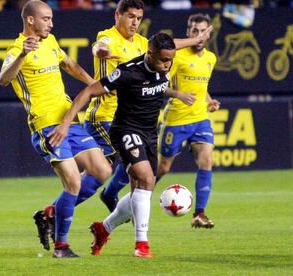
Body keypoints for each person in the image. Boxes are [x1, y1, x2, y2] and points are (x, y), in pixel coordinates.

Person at [48, 33, 195, 258]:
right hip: (125, 130)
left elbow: (158, 82)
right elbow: (89, 90)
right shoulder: (128, 72)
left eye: (171, 60)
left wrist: (196, 41)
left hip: (149, 134)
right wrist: (67, 122)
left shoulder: (163, 65)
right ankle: (142, 246)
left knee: (142, 189)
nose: (168, 65)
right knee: (146, 179)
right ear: (150, 53)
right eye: (164, 60)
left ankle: (104, 228)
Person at [0, 0, 112, 258]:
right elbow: (3, 79)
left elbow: (70, 66)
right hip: (46, 126)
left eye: (50, 18)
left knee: (102, 170)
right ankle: (61, 247)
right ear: (30, 20)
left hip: (68, 121)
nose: (51, 23)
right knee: (72, 182)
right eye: (46, 18)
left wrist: (96, 85)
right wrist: (23, 55)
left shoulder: (50, 42)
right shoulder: (17, 49)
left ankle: (49, 213)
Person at [89, 0, 213, 214]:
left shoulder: (141, 43)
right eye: (130, 17)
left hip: (135, 116)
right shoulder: (108, 37)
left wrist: (196, 39)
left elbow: (167, 46)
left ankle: (124, 218)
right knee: (105, 172)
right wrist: (100, 51)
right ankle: (56, 212)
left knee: (135, 168)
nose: (135, 22)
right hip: (108, 114)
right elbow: (99, 45)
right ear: (117, 16)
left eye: (138, 18)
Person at [157, 13, 219, 229]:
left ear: (209, 32)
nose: (199, 35)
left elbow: (202, 88)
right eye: (194, 31)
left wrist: (209, 101)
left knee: (206, 160)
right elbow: (158, 85)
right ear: (188, 32)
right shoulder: (177, 57)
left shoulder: (211, 58)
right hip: (176, 119)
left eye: (202, 31)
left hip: (200, 118)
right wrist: (178, 94)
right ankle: (139, 196)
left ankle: (199, 213)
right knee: (163, 167)